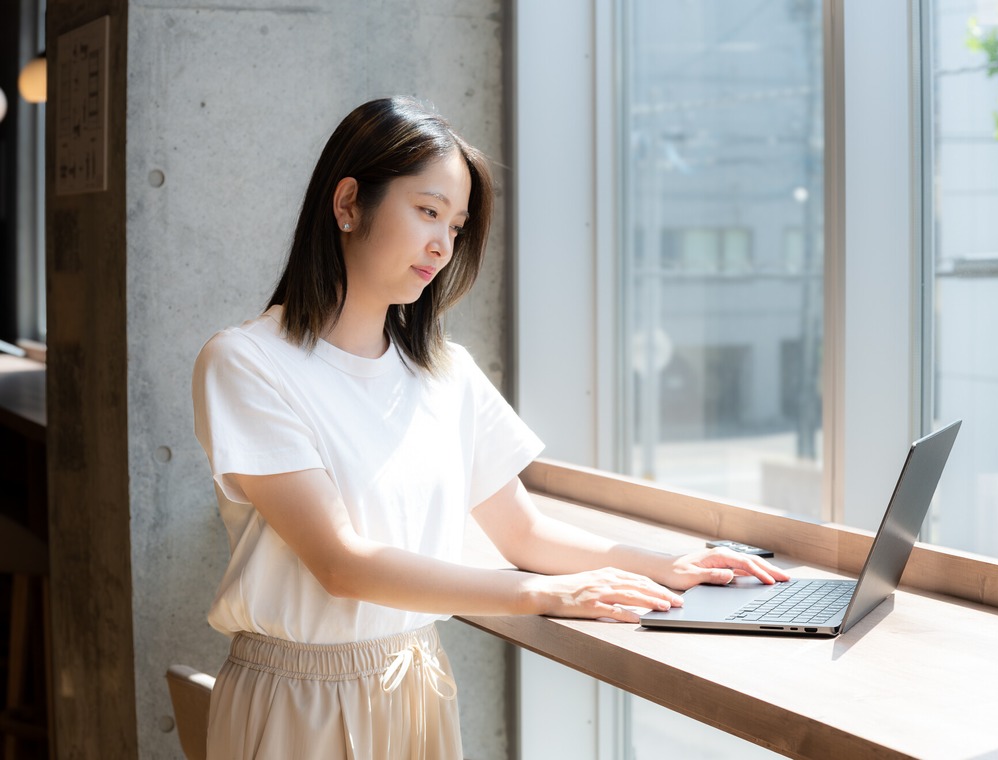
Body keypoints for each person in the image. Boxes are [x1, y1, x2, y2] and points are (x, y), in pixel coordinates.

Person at [192, 96, 788, 760]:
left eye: (456, 224)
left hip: (415, 683)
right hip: (295, 701)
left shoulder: (445, 372)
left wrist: (669, 566)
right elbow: (340, 564)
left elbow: (523, 530)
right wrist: (547, 594)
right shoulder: (248, 362)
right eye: (427, 212)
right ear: (349, 204)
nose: (442, 245)